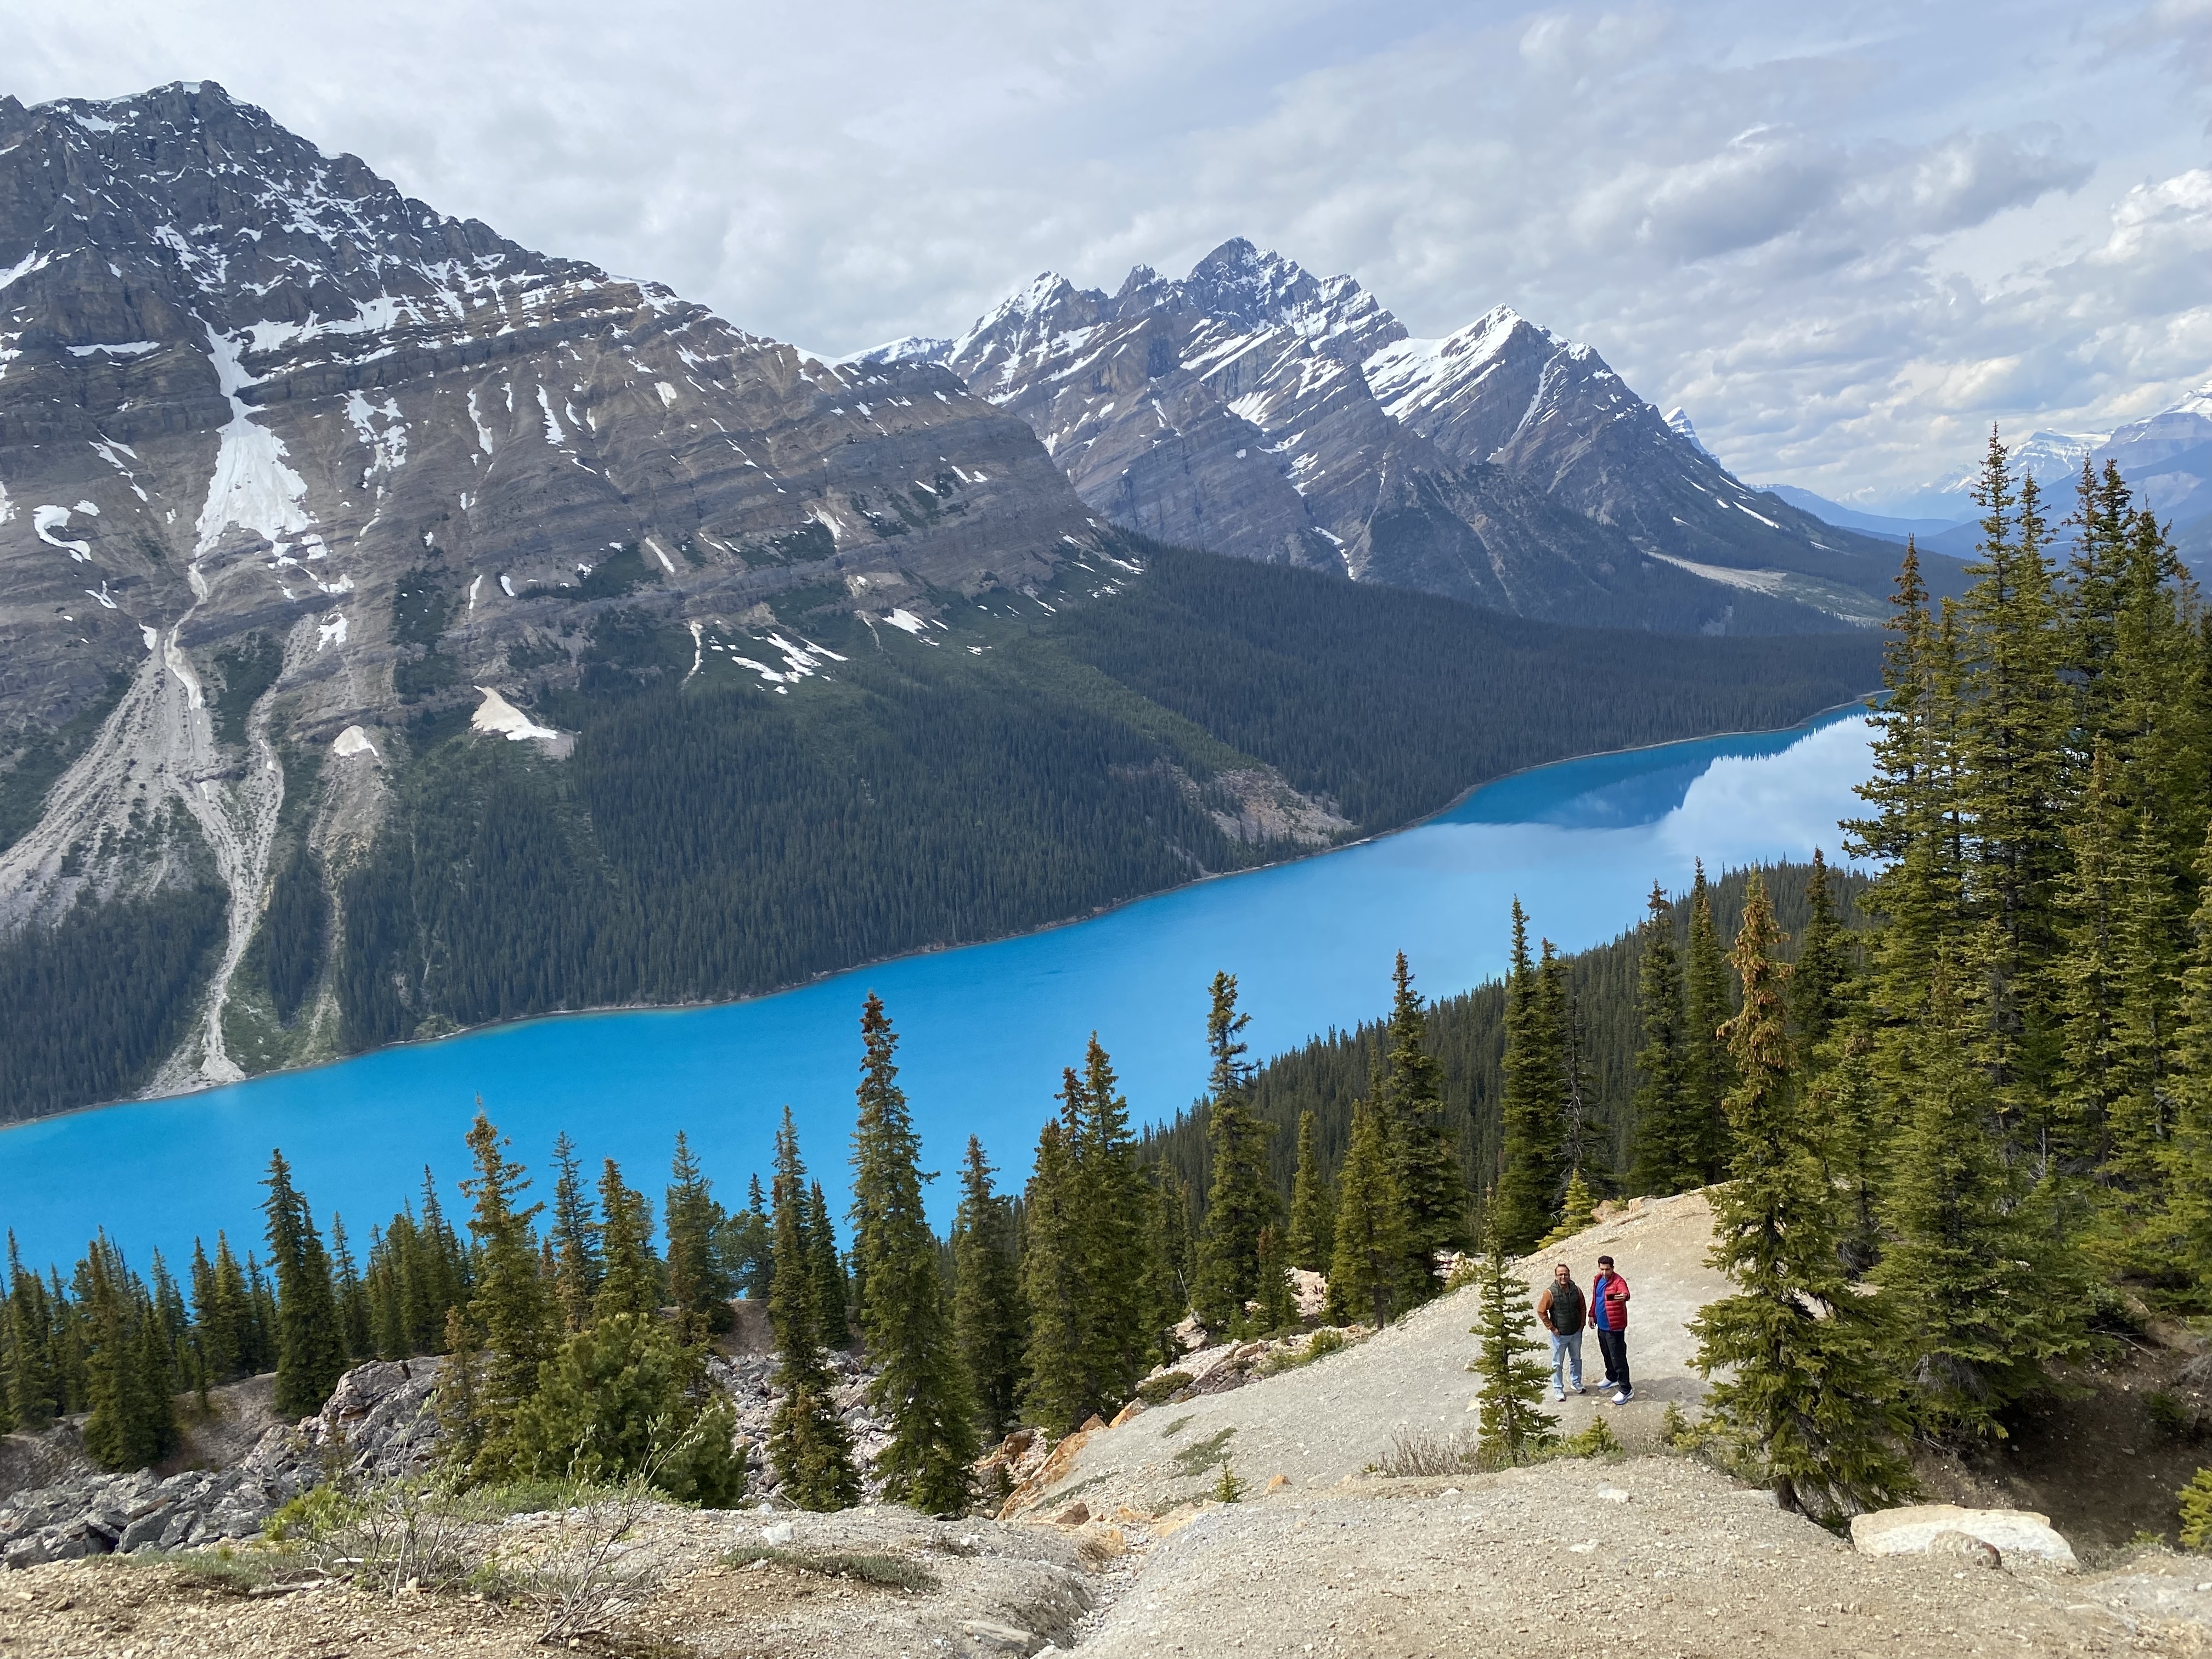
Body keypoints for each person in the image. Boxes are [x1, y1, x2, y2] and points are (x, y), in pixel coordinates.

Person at [1535, 1261, 1586, 1401]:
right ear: (1556, 1276)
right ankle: (1558, 1388)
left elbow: (1582, 1307)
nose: (1563, 1277)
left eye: (1566, 1274)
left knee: (1576, 1359)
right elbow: (1541, 1311)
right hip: (1560, 1335)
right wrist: (1552, 1328)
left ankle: (1577, 1382)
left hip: (1576, 1332)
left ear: (1569, 1275)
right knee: (1557, 1363)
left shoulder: (1577, 1290)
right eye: (1560, 1274)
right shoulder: (1550, 1293)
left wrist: (1582, 1325)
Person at [1591, 1254, 1632, 1403]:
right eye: (1602, 1269)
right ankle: (1611, 1377)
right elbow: (1597, 1299)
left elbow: (1625, 1294)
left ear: (1612, 1268)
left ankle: (1626, 1389)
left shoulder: (1618, 1281)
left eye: (1607, 1269)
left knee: (1618, 1358)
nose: (1604, 1272)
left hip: (1615, 1327)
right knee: (1607, 1354)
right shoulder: (1598, 1279)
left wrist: (1621, 1296)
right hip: (1601, 1325)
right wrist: (1592, 1315)